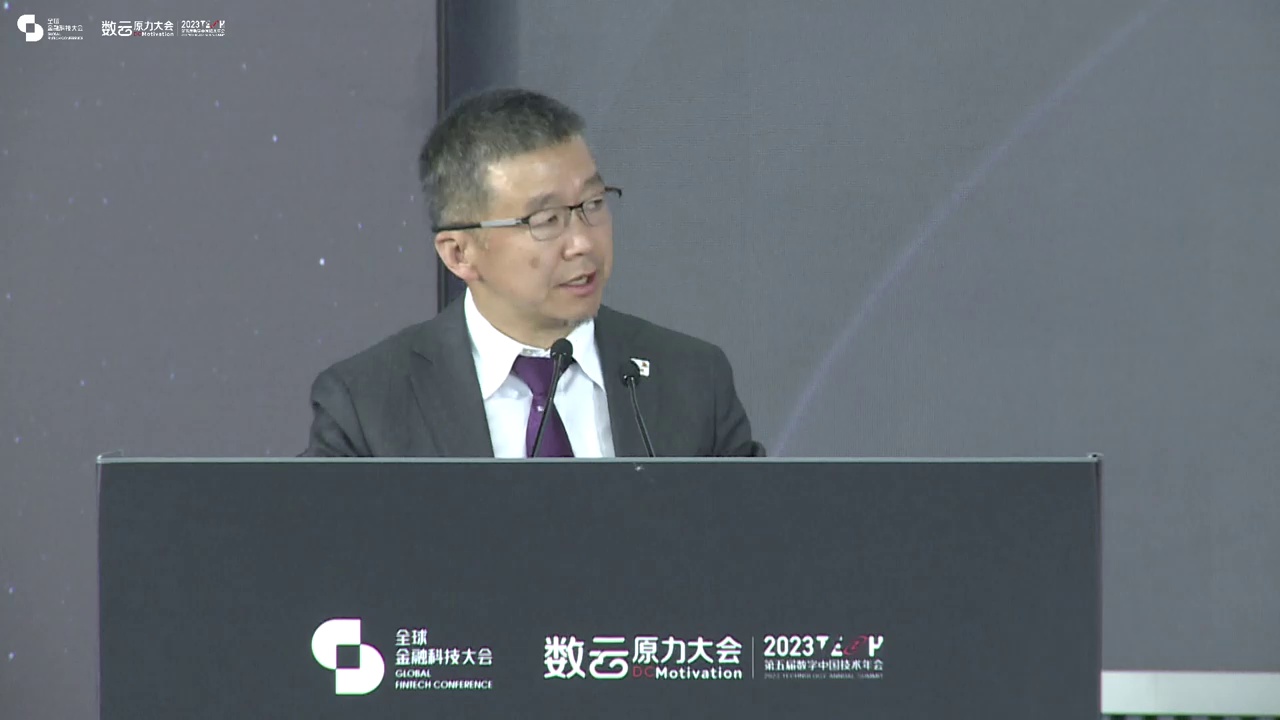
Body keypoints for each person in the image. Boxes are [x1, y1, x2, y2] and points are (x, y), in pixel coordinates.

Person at [302, 88, 764, 458]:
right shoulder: (367, 406)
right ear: (459, 253)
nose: (583, 242)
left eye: (593, 204)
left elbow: (757, 537)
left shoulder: (691, 379)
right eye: (546, 220)